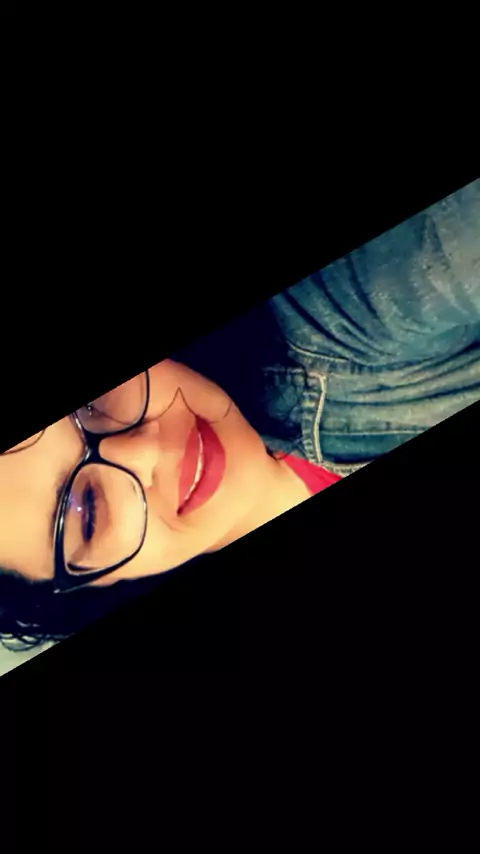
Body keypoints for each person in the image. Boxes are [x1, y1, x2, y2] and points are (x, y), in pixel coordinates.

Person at [1, 179, 479, 649]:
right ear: (92, 590)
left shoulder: (342, 310)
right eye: (88, 514)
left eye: (90, 404)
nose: (146, 450)